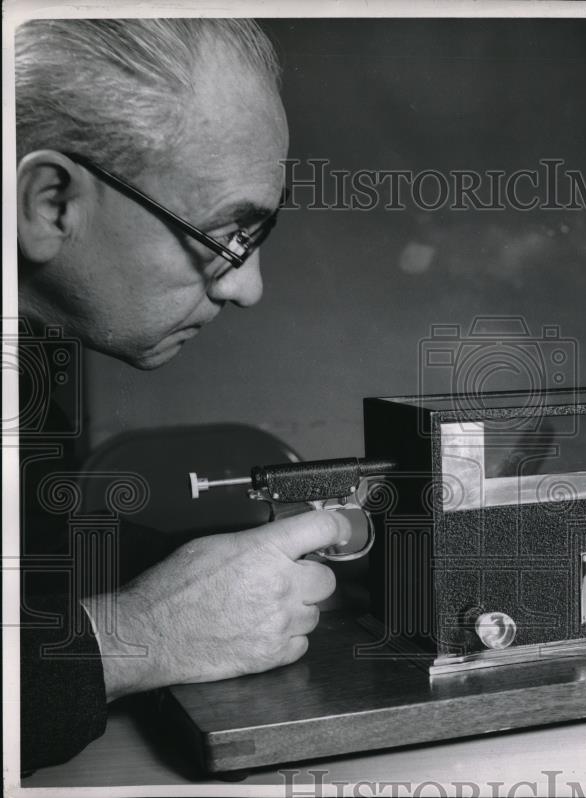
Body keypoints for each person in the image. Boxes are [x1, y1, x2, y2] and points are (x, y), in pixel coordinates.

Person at [14, 19, 343, 771]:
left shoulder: (37, 355)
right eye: (228, 236)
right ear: (49, 204)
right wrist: (142, 635)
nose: (248, 288)